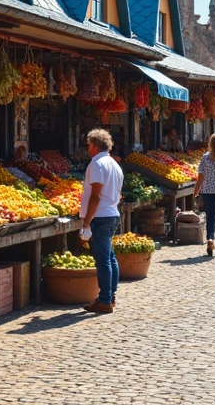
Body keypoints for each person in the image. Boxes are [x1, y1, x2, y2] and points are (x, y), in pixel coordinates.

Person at [81, 129, 124, 314]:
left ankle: (105, 300)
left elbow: (96, 196)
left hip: (101, 216)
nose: (88, 148)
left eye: (89, 145)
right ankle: (110, 296)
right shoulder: (114, 164)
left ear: (96, 146)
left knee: (103, 260)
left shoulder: (97, 164)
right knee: (110, 257)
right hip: (112, 213)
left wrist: (86, 222)